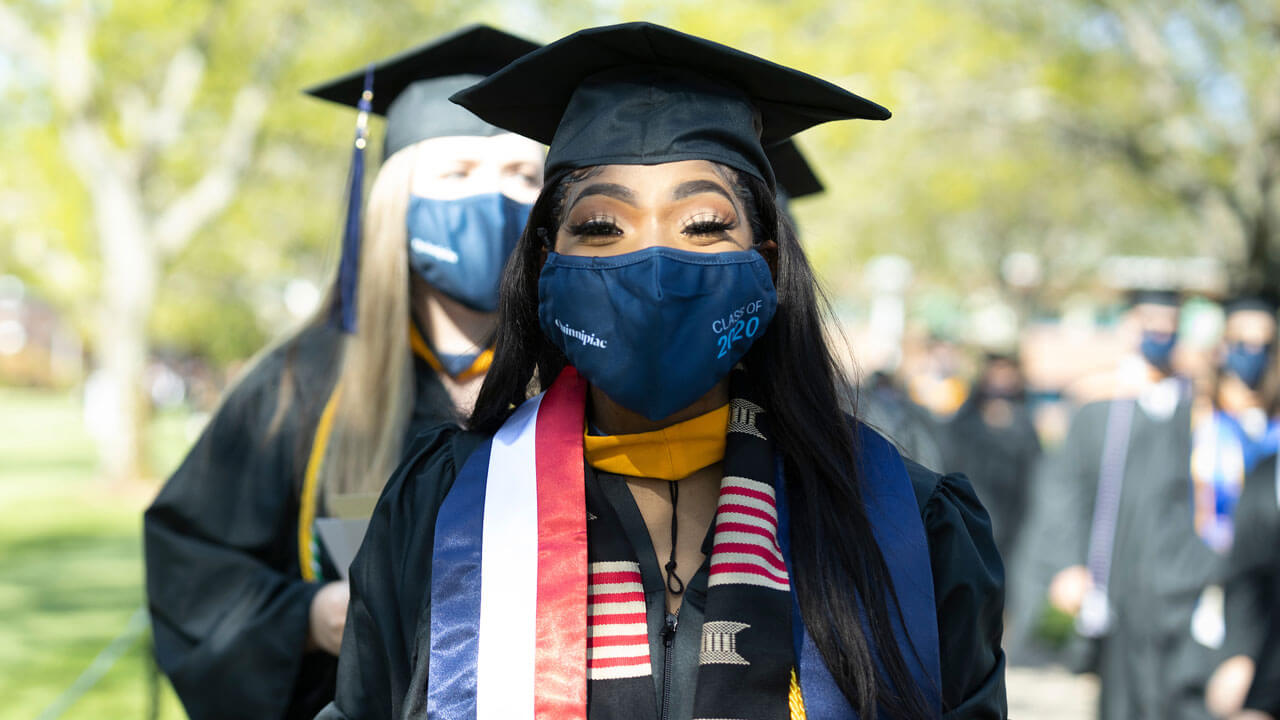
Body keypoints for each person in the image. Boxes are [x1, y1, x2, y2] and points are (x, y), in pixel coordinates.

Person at [320, 22, 1006, 720]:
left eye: (703, 225)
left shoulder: (900, 520)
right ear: (546, 262)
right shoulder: (448, 505)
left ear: (767, 260)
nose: (650, 264)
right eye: (601, 227)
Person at [142, 26, 543, 720]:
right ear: (393, 200)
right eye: (456, 175)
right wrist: (310, 615)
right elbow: (193, 567)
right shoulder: (302, 384)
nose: (494, 198)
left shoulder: (583, 372)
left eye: (523, 175)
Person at [941, 353, 1041, 563]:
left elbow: (1034, 473)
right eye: (996, 372)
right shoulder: (965, 421)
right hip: (972, 518)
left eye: (1007, 372)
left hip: (1015, 524)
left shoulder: (1024, 423)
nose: (1001, 380)